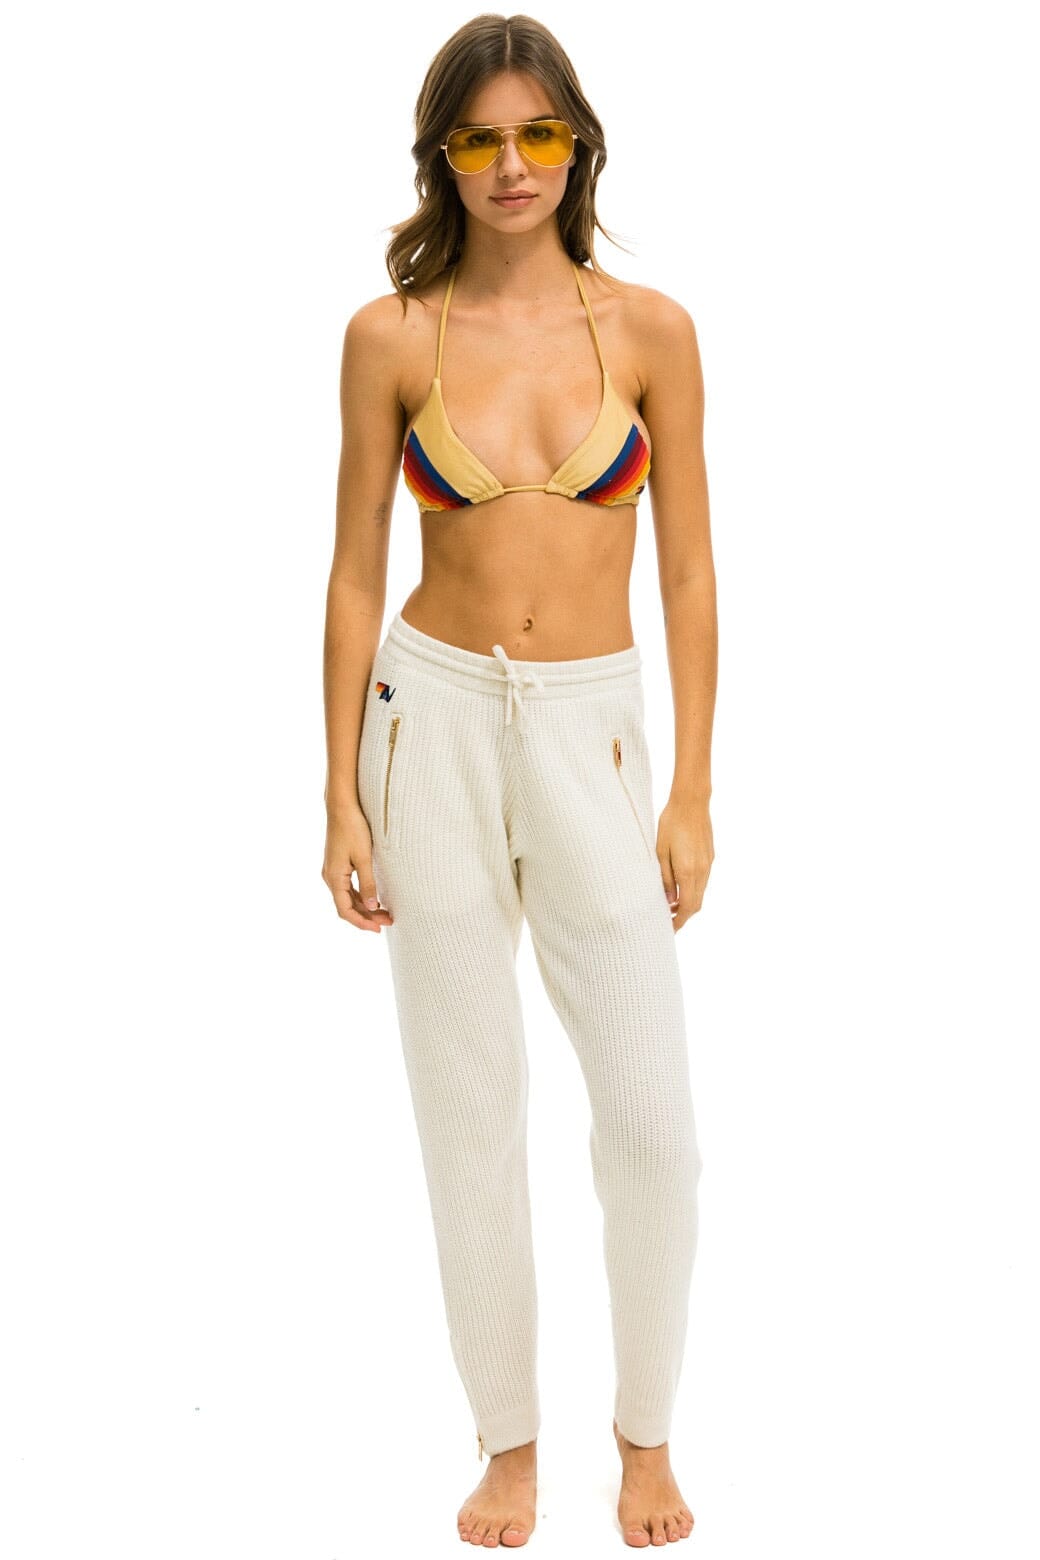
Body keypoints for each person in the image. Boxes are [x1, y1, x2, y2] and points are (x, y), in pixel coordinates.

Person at [322, 13, 717, 1549]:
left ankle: (645, 1434)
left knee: (653, 1128)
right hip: (425, 720)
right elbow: (357, 573)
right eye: (479, 138)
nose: (510, 166)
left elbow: (688, 573)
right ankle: (508, 1442)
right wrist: (340, 793)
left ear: (577, 146)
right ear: (442, 156)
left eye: (537, 134)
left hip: (591, 732)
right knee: (468, 1106)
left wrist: (691, 789)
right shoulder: (390, 337)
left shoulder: (654, 332)